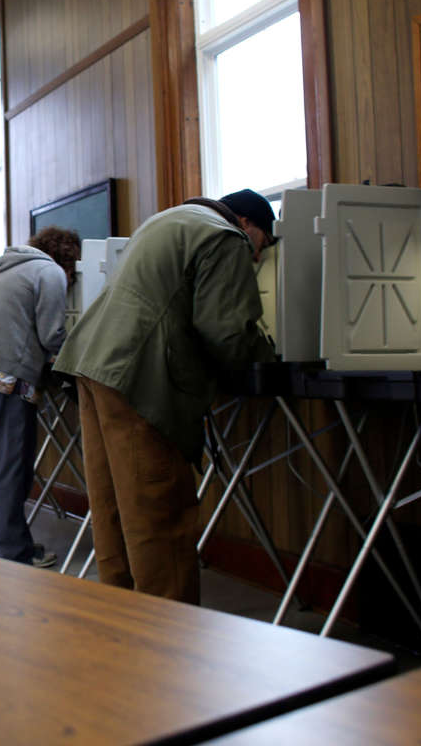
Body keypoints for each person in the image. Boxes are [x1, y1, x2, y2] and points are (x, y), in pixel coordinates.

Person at [53, 189, 277, 603]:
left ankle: (124, 624)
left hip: (92, 364)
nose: (259, 258)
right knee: (158, 513)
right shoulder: (226, 237)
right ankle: (168, 641)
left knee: (114, 509)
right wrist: (270, 352)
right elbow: (225, 331)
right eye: (264, 242)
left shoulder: (169, 220)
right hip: (138, 377)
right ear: (247, 224)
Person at [0, 226, 81, 567]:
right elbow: (52, 334)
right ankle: (14, 554)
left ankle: (5, 546)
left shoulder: (7, 268)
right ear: (69, 262)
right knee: (13, 468)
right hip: (8, 377)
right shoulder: (50, 272)